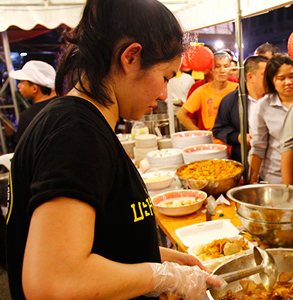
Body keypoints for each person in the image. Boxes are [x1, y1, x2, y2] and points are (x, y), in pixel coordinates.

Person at [5, 0, 223, 299]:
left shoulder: (80, 122)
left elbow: (101, 241)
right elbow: (53, 282)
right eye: (165, 77)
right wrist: (163, 277)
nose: (162, 95)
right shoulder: (75, 132)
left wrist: (162, 257)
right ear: (131, 57)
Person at [249, 54, 293, 184]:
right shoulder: (264, 105)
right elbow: (259, 145)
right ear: (272, 80)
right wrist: (252, 179)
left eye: (292, 76)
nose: (288, 82)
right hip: (274, 176)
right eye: (281, 78)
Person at [212, 55, 268, 162]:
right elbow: (219, 129)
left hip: (273, 161)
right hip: (244, 158)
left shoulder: (275, 98)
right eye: (265, 75)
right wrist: (238, 137)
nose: (271, 78)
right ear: (250, 77)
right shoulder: (231, 100)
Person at [177, 51, 238, 132]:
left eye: (226, 66)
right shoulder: (201, 91)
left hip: (234, 139)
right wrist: (200, 134)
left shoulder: (237, 89)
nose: (222, 70)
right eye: (217, 66)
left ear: (230, 70)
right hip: (211, 142)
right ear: (211, 69)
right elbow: (181, 114)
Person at [9, 60, 57, 144]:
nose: (18, 86)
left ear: (34, 88)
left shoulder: (27, 116)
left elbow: (22, 150)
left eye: (22, 83)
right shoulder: (63, 106)